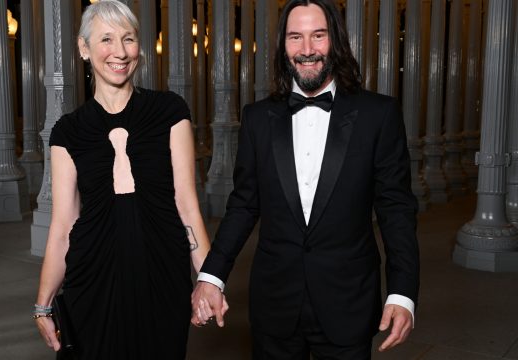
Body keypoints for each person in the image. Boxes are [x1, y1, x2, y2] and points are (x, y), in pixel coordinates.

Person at [191, 0, 420, 358]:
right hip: (275, 305)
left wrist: (402, 292)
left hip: (349, 301)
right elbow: (243, 204)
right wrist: (211, 277)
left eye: (319, 36)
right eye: (295, 37)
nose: (307, 49)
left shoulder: (379, 115)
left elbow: (396, 210)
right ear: (283, 46)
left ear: (337, 42)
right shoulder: (257, 119)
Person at [33, 1, 218, 358]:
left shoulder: (170, 112)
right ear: (84, 48)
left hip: (161, 276)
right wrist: (43, 305)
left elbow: (188, 207)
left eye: (129, 39)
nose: (119, 52)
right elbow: (62, 227)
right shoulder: (67, 132)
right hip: (92, 279)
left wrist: (209, 280)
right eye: (106, 39)